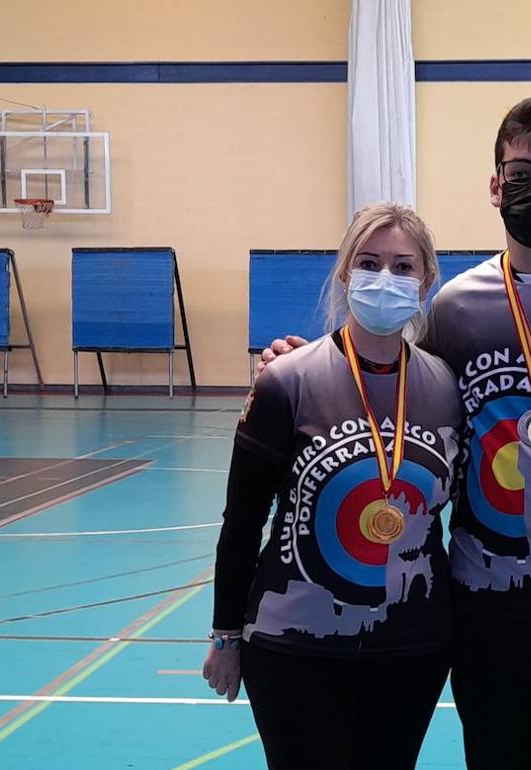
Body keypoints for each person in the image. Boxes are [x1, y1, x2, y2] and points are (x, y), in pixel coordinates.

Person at [258, 95, 531, 770]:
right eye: (521, 171)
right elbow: (394, 390)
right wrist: (297, 359)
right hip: (488, 613)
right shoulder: (458, 308)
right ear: (495, 185)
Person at [204, 203, 463, 770]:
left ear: (426, 281)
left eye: (403, 266)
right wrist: (225, 635)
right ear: (346, 276)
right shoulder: (287, 380)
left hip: (411, 648)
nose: (385, 279)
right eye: (369, 263)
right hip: (294, 644)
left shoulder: (446, 385)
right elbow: (242, 522)